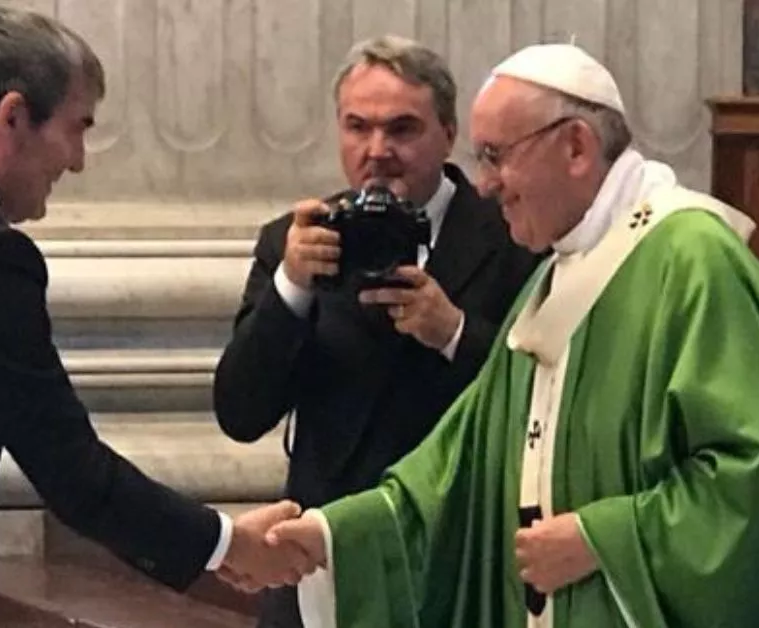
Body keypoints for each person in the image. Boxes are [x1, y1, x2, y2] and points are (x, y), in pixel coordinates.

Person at [265, 43, 759, 628]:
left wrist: (599, 539)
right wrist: (335, 535)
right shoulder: (560, 273)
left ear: (576, 146)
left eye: (497, 155)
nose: (485, 184)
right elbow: (466, 460)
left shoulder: (691, 259)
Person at [0, 5, 310, 627]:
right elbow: (72, 474)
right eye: (78, 127)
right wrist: (229, 544)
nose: (78, 160)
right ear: (14, 116)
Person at [212, 35, 540, 628]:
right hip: (323, 554)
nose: (377, 150)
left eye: (402, 129)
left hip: (458, 554)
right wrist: (290, 289)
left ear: (447, 133)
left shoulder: (513, 235)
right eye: (357, 127)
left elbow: (544, 397)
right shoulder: (297, 238)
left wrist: (455, 333)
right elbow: (240, 412)